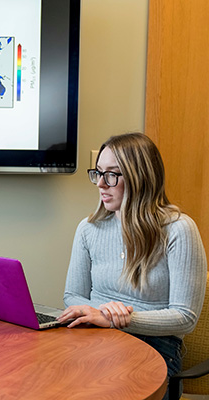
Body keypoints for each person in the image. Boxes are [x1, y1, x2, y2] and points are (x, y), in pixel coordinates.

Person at [58, 132, 207, 399]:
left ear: (141, 177)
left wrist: (118, 319)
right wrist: (99, 314)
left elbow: (185, 318)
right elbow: (72, 295)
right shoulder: (88, 228)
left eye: (112, 175)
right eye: (98, 173)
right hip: (93, 337)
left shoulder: (178, 229)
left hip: (155, 346)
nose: (101, 184)